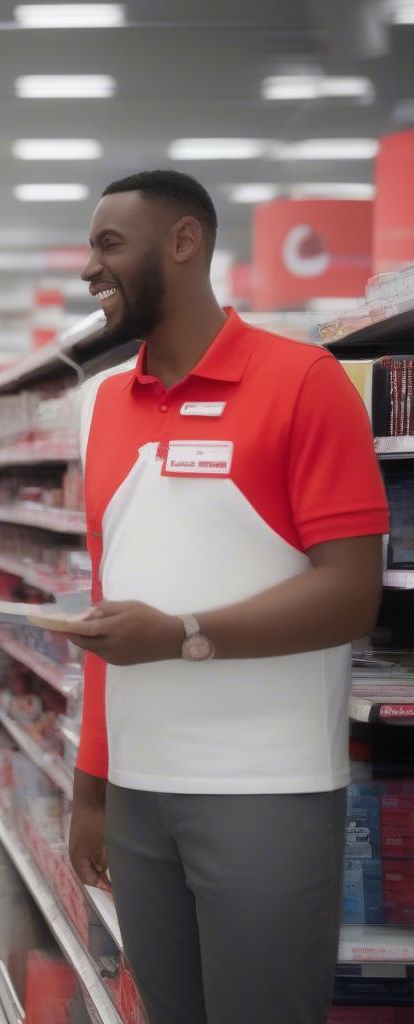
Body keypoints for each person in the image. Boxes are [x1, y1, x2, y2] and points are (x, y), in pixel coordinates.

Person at [57, 170, 388, 1024]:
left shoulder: (304, 381)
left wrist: (181, 634)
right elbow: (106, 605)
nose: (90, 268)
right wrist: (91, 787)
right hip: (136, 791)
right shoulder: (99, 404)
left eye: (108, 244)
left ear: (183, 242)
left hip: (266, 788)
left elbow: (351, 596)